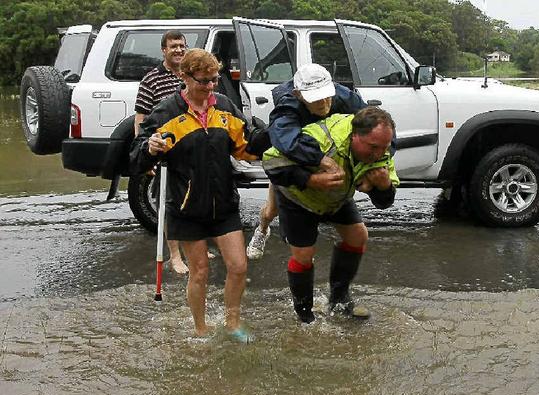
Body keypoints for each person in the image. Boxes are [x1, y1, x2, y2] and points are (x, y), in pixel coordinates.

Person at [130, 49, 256, 341]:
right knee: (199, 271)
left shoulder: (223, 106)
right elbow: (135, 157)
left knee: (238, 266)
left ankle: (232, 322)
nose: (210, 87)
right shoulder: (165, 113)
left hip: (223, 203)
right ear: (184, 77)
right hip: (186, 209)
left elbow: (244, 146)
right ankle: (200, 328)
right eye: (203, 81)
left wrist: (266, 144)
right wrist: (149, 149)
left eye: (214, 80)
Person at [262, 107, 400, 323]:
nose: (378, 154)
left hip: (337, 198)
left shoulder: (381, 151)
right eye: (373, 147)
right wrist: (310, 180)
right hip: (299, 198)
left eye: (384, 147)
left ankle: (339, 299)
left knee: (358, 236)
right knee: (304, 255)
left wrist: (383, 187)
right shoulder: (324, 140)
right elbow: (270, 162)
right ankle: (305, 314)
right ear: (355, 135)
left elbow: (384, 203)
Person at [245, 63, 368, 260]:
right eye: (316, 99)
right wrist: (320, 160)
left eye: (327, 95)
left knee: (357, 234)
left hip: (331, 166)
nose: (324, 102)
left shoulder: (343, 96)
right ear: (299, 95)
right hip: (292, 165)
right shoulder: (288, 107)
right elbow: (286, 144)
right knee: (271, 211)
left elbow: (375, 122)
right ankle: (262, 229)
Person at [133, 30, 196, 274]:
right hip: (166, 151)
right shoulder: (152, 79)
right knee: (169, 203)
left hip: (193, 148)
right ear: (163, 50)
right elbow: (140, 119)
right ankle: (175, 256)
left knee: (194, 200)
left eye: (182, 45)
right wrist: (144, 153)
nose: (179, 50)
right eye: (173, 46)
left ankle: (195, 248)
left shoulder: (192, 74)